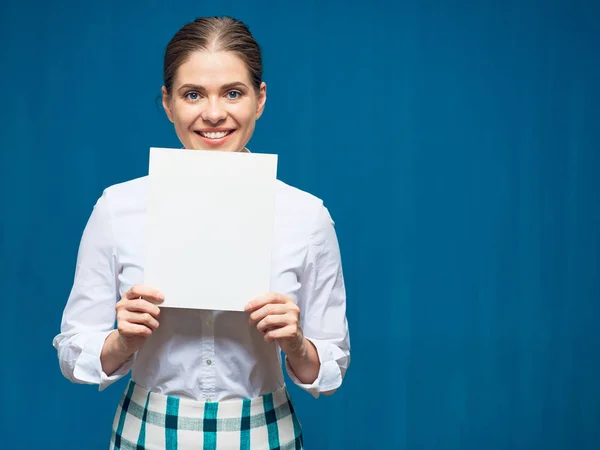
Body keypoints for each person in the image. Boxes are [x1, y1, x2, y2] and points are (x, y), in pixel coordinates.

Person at [53, 16, 350, 450]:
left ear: (259, 99)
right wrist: (121, 340)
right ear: (169, 103)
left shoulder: (306, 216)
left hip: (265, 432)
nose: (214, 113)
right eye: (193, 94)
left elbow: (331, 369)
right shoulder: (118, 208)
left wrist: (297, 345)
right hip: (146, 430)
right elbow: (72, 348)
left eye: (233, 92)